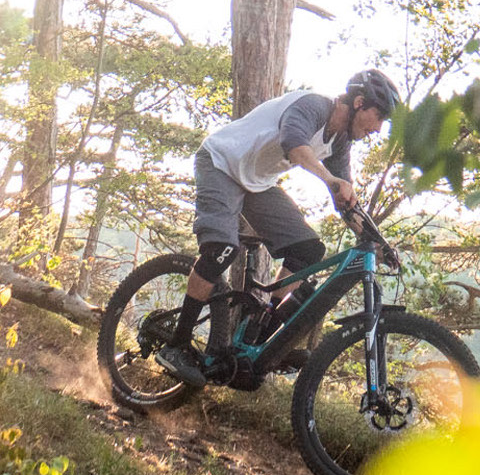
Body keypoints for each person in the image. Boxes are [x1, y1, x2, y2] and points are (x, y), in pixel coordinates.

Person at [155, 68, 402, 388]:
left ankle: (258, 340)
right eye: (378, 116)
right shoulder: (314, 107)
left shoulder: (340, 142)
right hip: (220, 163)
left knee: (309, 251)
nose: (379, 128)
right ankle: (176, 345)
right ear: (358, 103)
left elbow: (347, 202)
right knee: (222, 250)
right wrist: (330, 180)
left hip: (256, 183)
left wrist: (378, 244)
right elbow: (294, 144)